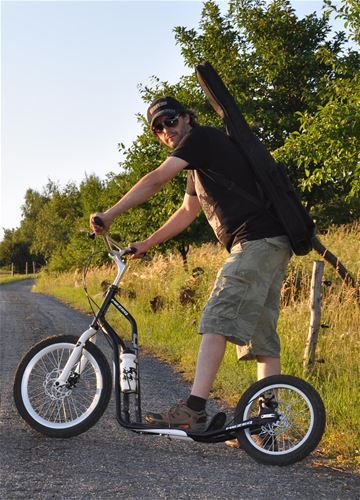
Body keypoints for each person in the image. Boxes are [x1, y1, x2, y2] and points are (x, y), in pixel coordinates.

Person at [90, 96, 292, 432]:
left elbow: (155, 179)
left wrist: (109, 214)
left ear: (186, 118)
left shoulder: (201, 139)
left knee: (216, 318)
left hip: (256, 242)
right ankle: (267, 423)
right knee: (262, 339)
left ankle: (193, 411)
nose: (165, 131)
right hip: (270, 242)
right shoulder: (199, 160)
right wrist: (147, 244)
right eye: (157, 128)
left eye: (169, 121)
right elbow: (187, 212)